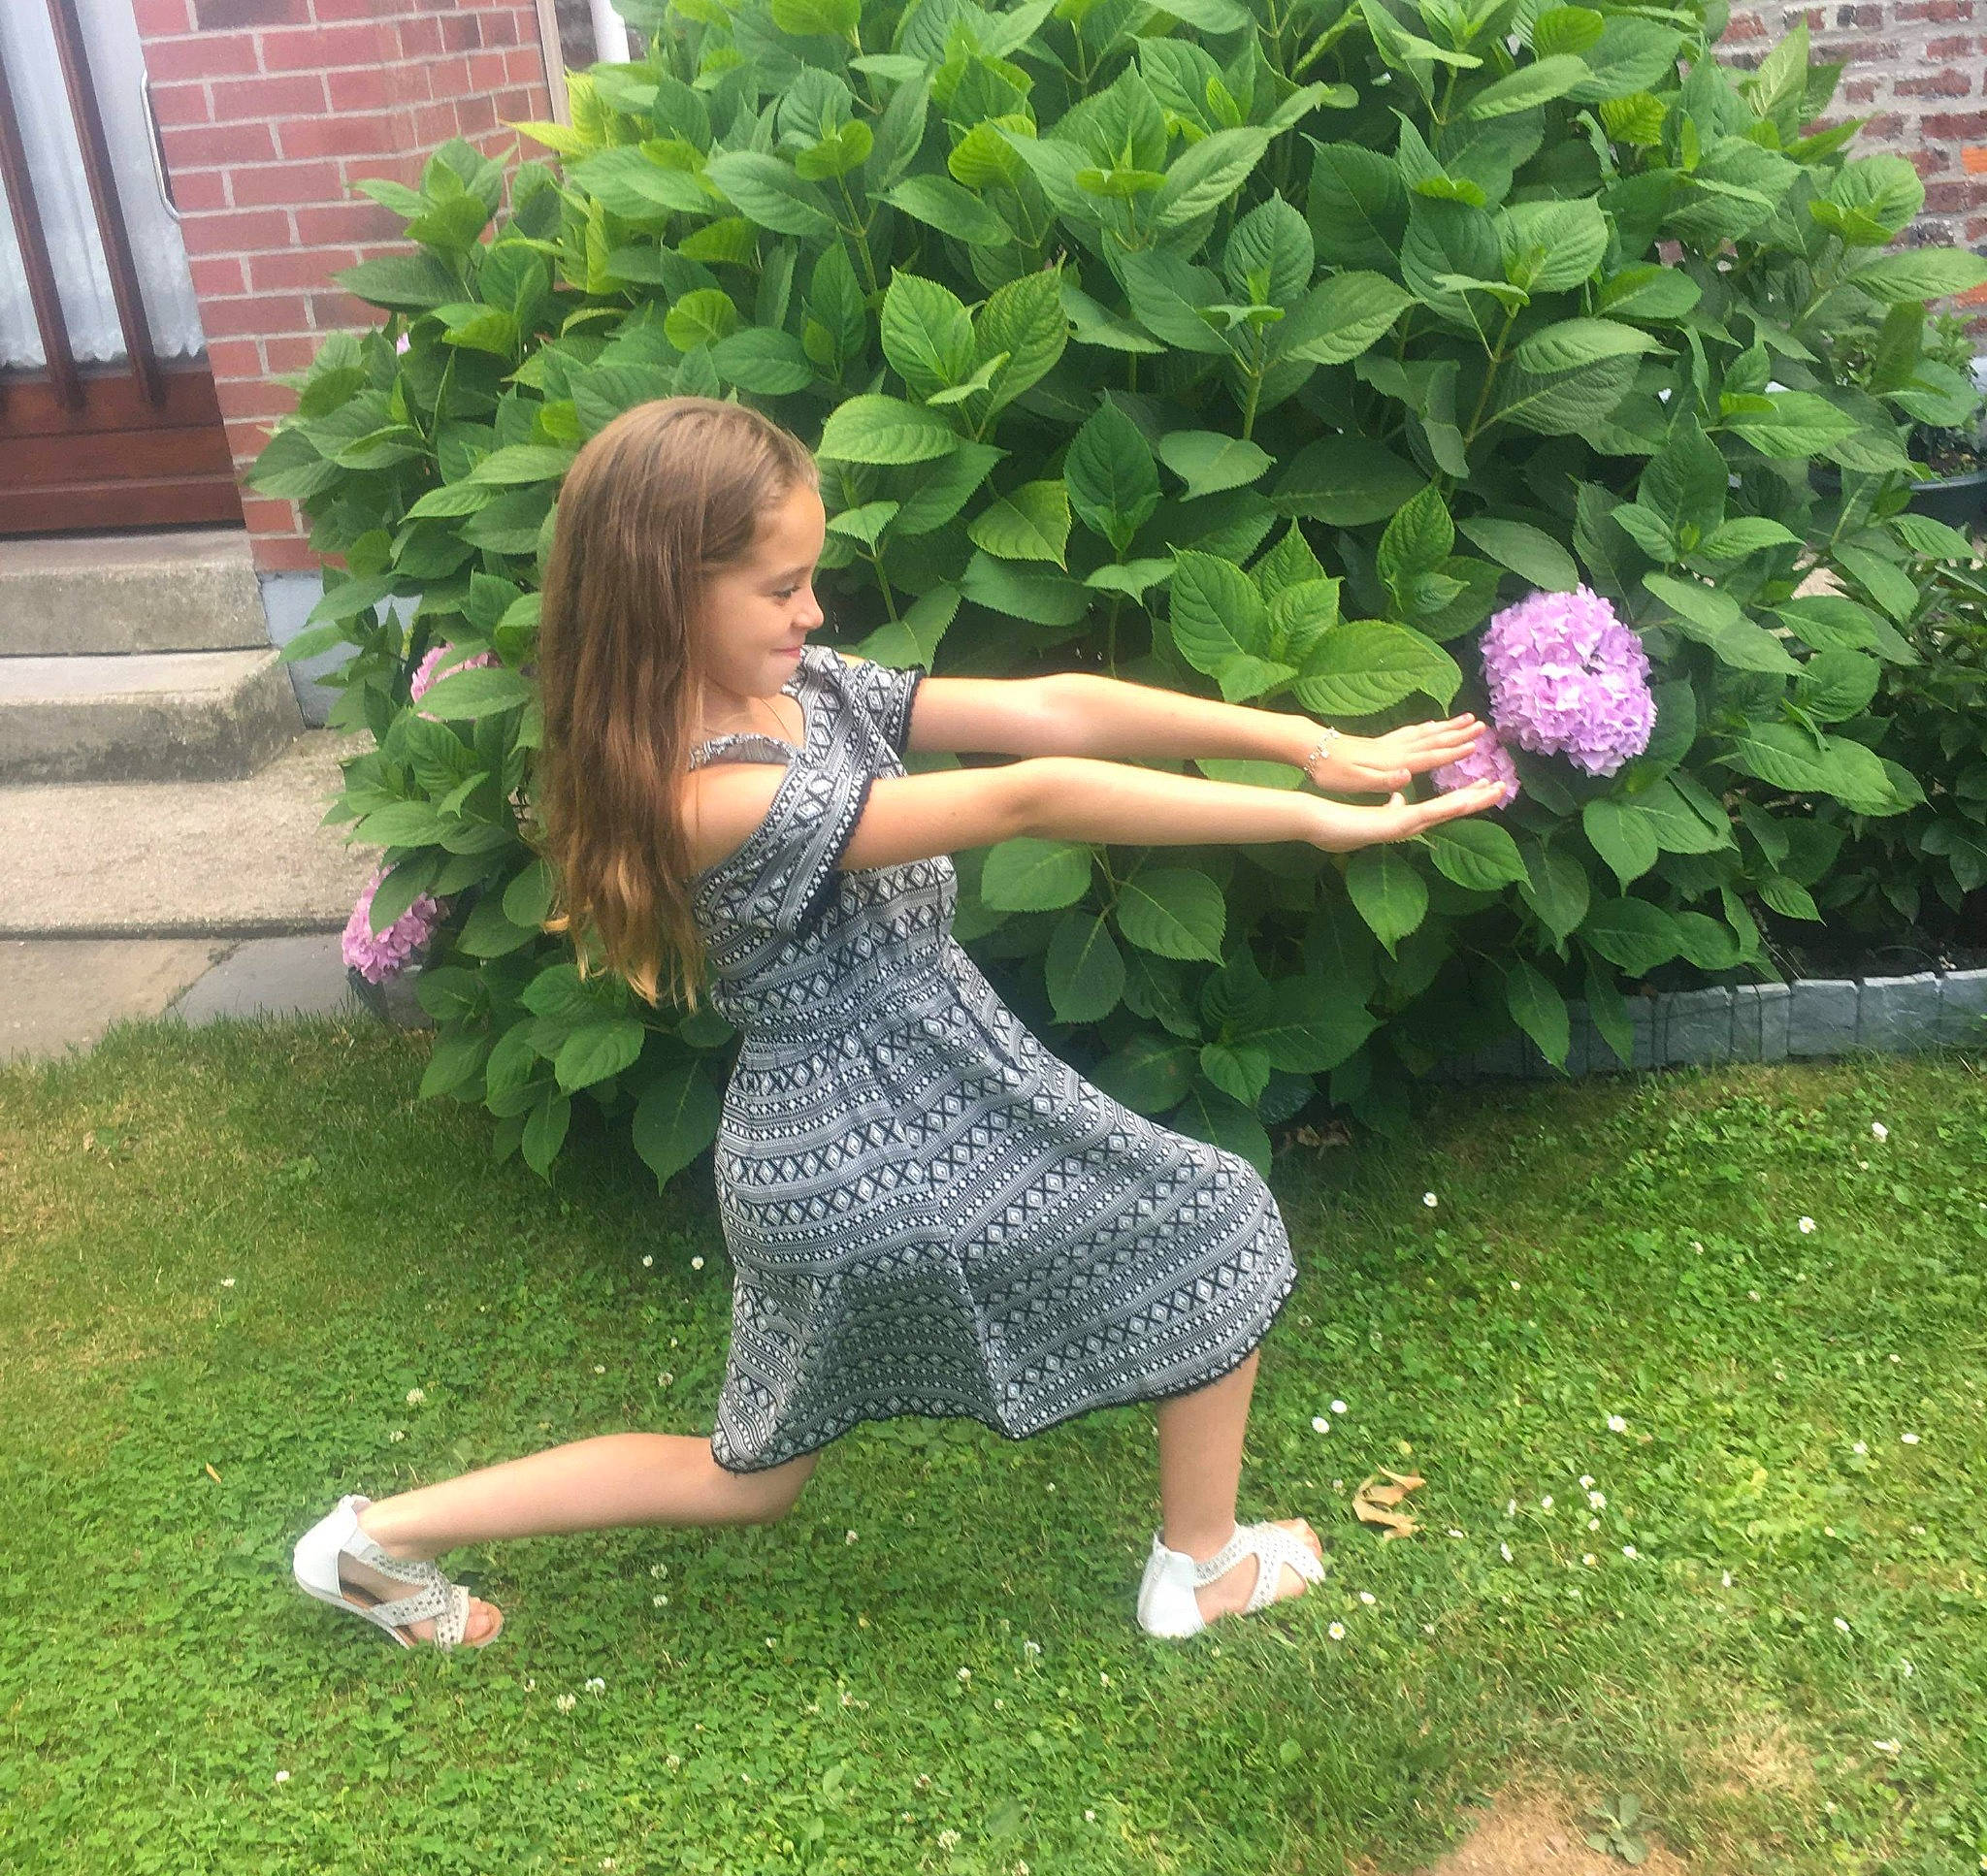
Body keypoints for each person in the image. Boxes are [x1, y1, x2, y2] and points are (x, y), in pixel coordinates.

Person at [292, 396, 1508, 1651]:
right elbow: (1029, 798)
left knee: (748, 1480)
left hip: (889, 1104)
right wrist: (1307, 821)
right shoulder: (712, 791)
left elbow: (1049, 715)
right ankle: (1197, 1572)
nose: (813, 612)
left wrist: (1307, 742)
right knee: (1214, 1217)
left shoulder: (803, 690)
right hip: (866, 1134)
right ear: (669, 593)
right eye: (781, 587)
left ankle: (372, 1543)